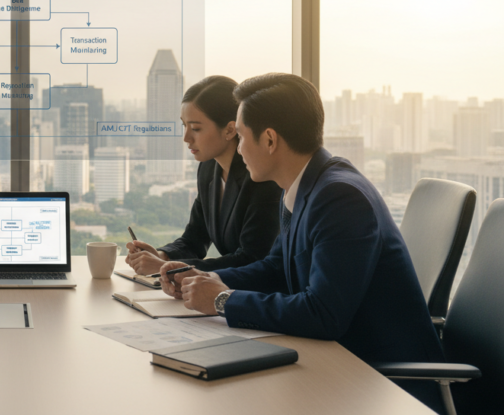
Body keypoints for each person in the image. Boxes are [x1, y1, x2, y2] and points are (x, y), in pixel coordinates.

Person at [159, 73, 444, 412]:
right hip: (339, 363)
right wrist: (206, 279)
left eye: (242, 136)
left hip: (384, 383)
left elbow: (323, 314)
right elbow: (276, 267)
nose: (239, 148)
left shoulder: (341, 197)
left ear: (269, 140)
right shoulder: (305, 185)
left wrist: (222, 300)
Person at [126, 76, 281, 274]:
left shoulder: (261, 177)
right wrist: (161, 255)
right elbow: (194, 239)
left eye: (196, 128)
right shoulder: (208, 168)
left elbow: (251, 259)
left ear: (230, 130)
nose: (186, 138)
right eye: (184, 126)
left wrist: (169, 268)